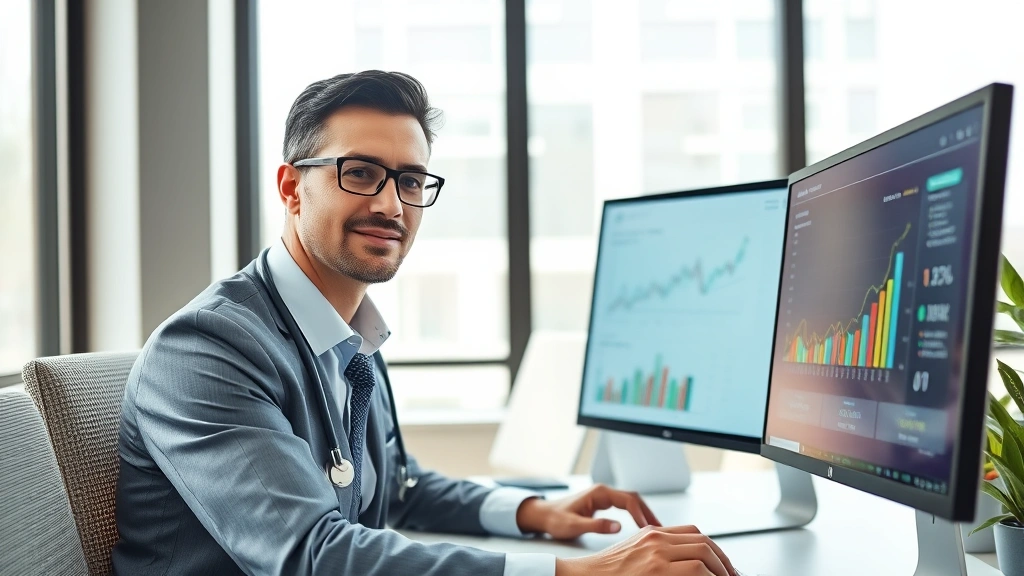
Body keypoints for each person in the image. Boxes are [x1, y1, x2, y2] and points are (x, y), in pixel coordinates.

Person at [112, 70, 737, 576]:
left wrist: (535, 512)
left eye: (409, 181)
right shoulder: (208, 348)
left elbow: (396, 488)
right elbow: (312, 555)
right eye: (359, 173)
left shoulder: (349, 331)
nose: (390, 204)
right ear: (291, 187)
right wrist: (575, 575)